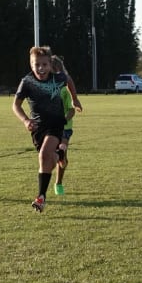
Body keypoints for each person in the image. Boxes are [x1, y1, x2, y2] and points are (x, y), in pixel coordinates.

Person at [12, 46, 69, 212]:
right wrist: (25, 120)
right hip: (37, 127)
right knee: (47, 160)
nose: (41, 68)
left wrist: (75, 99)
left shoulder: (58, 78)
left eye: (44, 64)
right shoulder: (27, 82)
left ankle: (41, 197)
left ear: (50, 65)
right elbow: (15, 105)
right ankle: (60, 154)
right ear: (31, 65)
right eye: (37, 64)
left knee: (44, 155)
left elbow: (69, 80)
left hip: (56, 124)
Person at [51, 56, 82, 196]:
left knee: (62, 148)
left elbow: (70, 110)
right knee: (53, 153)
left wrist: (63, 119)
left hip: (65, 126)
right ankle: (59, 157)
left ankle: (58, 182)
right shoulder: (44, 89)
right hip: (50, 127)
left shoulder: (63, 90)